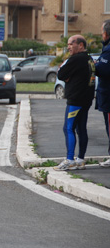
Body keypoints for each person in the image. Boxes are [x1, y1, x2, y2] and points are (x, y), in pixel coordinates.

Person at [54, 35, 96, 171]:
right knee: (81, 128)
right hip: (86, 99)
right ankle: (80, 159)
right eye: (68, 44)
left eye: (71, 44)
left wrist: (65, 70)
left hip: (76, 100)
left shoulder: (76, 59)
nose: (68, 47)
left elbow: (61, 74)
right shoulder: (89, 59)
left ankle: (70, 159)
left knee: (68, 128)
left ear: (81, 45)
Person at [97, 20, 110, 168]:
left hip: (107, 95)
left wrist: (96, 66)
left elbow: (103, 70)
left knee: (109, 126)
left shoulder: (107, 50)